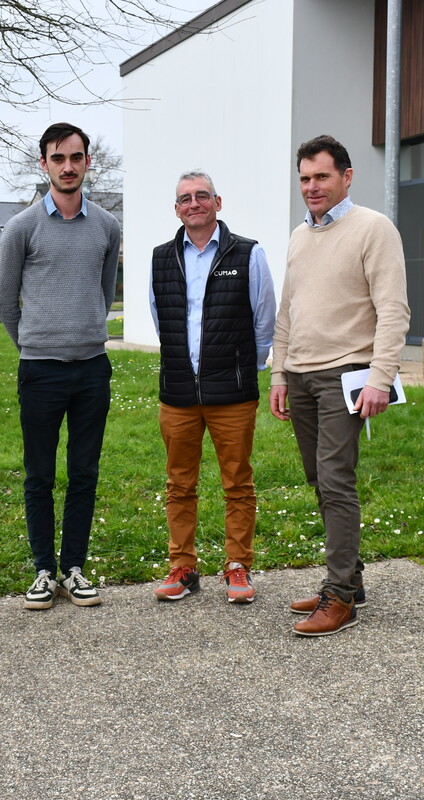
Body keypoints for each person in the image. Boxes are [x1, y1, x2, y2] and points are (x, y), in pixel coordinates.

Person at [270, 135, 410, 637]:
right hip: (302, 376)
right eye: (304, 178)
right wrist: (280, 373)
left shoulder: (373, 228)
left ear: (346, 177)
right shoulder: (298, 236)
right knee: (318, 479)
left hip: (346, 375)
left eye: (321, 177)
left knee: (335, 480)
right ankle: (348, 576)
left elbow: (394, 310)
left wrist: (381, 377)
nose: (311, 187)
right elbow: (288, 312)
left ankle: (341, 596)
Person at [0, 122, 121, 610]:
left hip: (92, 368)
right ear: (44, 163)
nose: (67, 166)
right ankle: (44, 569)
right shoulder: (23, 226)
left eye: (75, 157)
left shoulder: (108, 226)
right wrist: (32, 344)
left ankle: (75, 566)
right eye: (57, 158)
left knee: (84, 472)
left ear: (88, 162)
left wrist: (85, 330)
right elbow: (5, 302)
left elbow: (105, 291)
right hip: (40, 370)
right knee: (39, 475)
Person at [149, 171, 276, 604]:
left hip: (233, 393)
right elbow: (161, 318)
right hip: (179, 393)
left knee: (237, 482)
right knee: (178, 484)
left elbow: (265, 320)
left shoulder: (248, 253)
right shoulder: (161, 258)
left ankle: (237, 566)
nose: (194, 203)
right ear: (177, 208)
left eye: (202, 196)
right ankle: (182, 566)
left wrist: (248, 368)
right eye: (185, 198)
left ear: (218, 203)